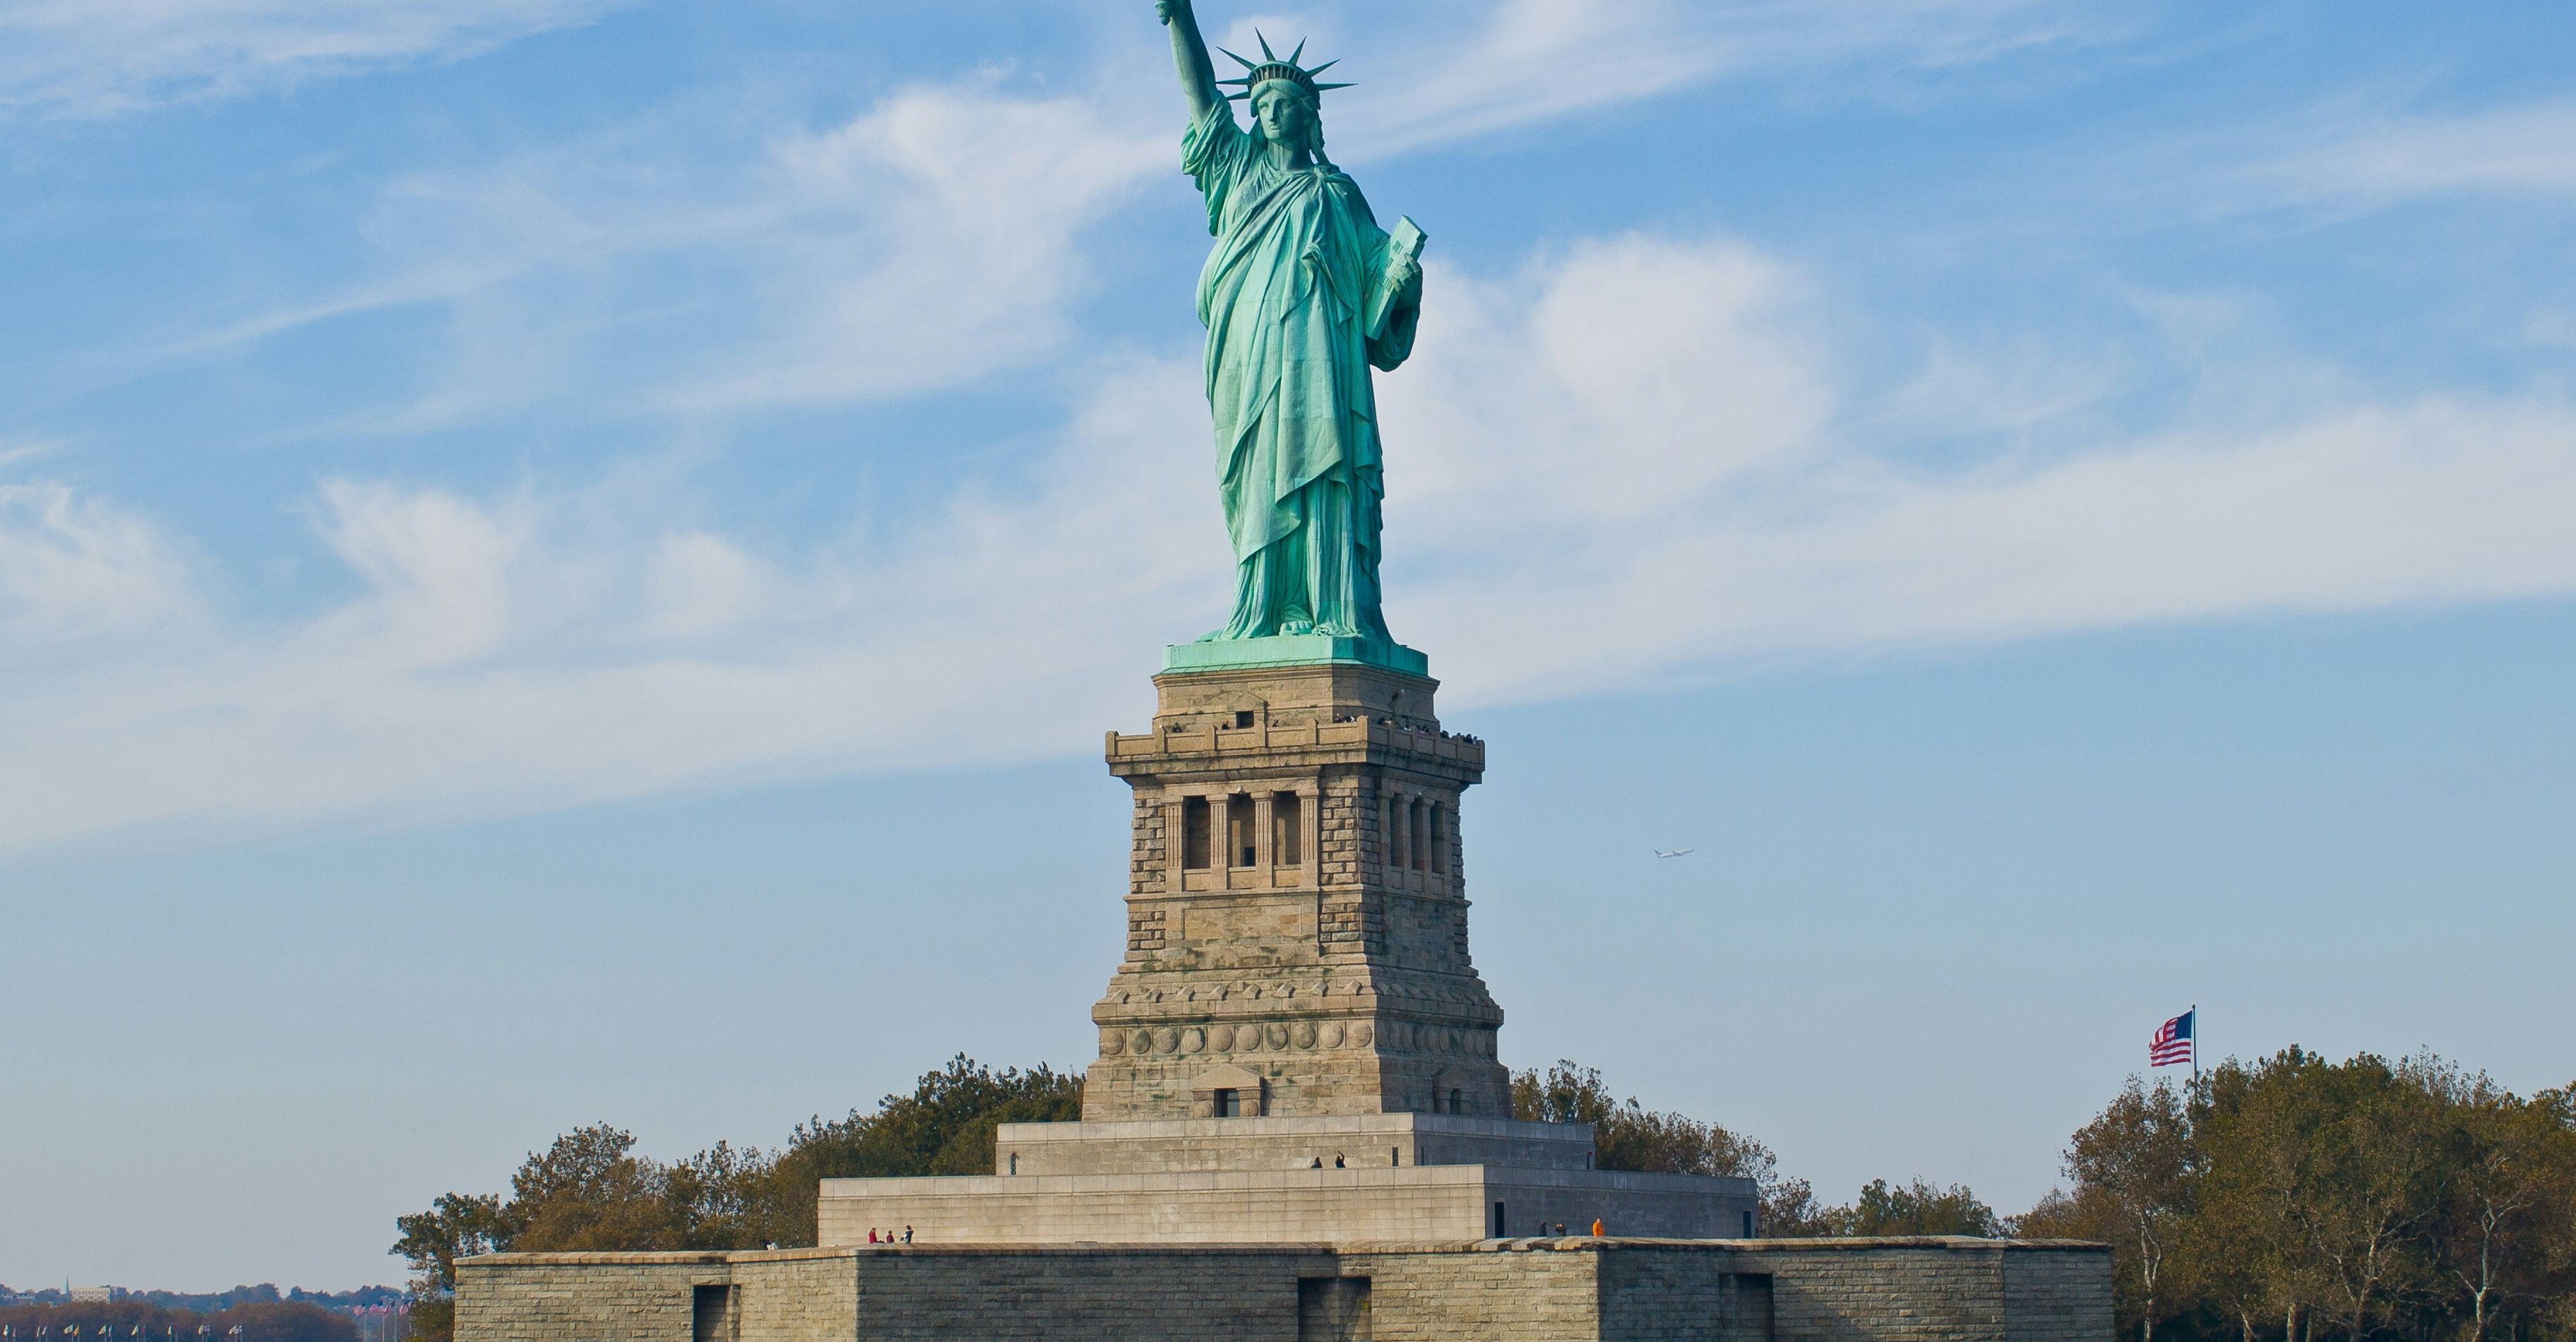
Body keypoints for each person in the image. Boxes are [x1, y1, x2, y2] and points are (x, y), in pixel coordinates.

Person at [1152, 0, 1424, 644]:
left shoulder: (1338, 194)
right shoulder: (1237, 170)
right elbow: (1200, 98)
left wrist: (1404, 284)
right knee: (1256, 470)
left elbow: (1378, 304)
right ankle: (1262, 607)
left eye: (1285, 103)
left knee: (1325, 469)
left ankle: (1331, 605)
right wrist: (1178, 17)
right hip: (1250, 352)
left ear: (1310, 115)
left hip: (1323, 361)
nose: (1271, 113)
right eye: (1262, 104)